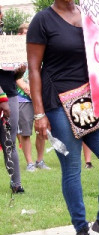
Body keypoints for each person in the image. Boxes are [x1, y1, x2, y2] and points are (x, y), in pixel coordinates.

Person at [27, 0, 99, 235]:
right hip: (58, 102)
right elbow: (33, 68)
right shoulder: (42, 20)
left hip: (90, 100)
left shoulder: (92, 16)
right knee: (72, 167)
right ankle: (81, 230)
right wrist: (39, 114)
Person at [16, 23, 51, 172]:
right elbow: (13, 75)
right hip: (22, 98)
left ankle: (40, 160)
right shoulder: (14, 52)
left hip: (39, 97)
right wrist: (25, 87)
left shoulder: (39, 50)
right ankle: (30, 162)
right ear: (19, 35)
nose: (27, 36)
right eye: (25, 33)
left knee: (41, 130)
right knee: (25, 132)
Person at [0, 64, 26, 193]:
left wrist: (19, 73)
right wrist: (2, 98)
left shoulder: (9, 46)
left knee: (10, 142)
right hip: (4, 98)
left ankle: (16, 184)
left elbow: (10, 77)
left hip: (10, 95)